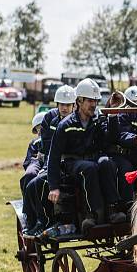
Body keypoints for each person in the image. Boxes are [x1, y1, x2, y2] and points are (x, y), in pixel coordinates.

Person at [46, 78, 122, 234]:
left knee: (107, 162)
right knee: (89, 168)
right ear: (79, 101)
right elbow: (53, 156)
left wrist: (113, 116)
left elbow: (111, 138)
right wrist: (54, 187)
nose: (94, 104)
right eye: (90, 101)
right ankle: (91, 215)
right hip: (72, 163)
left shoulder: (98, 119)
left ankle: (114, 210)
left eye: (96, 101)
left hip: (94, 158)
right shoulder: (65, 125)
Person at [22, 85, 77, 236]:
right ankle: (37, 220)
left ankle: (45, 221)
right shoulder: (50, 118)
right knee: (32, 182)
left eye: (67, 105)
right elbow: (47, 147)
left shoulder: (78, 120)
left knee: (39, 183)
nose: (64, 108)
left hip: (70, 164)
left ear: (74, 105)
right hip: (53, 163)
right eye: (61, 104)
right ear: (57, 104)